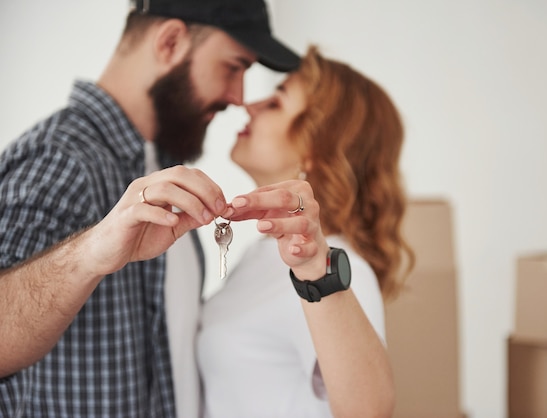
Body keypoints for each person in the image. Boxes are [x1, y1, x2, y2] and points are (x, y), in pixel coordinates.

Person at [0, 0, 300, 416]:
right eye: (234, 67)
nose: (238, 97)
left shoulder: (154, 168)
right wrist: (89, 253)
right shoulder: (62, 159)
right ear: (171, 41)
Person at [197, 46, 416, 418]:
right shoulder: (262, 254)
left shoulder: (337, 272)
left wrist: (317, 269)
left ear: (315, 145)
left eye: (276, 103)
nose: (249, 106)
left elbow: (369, 411)